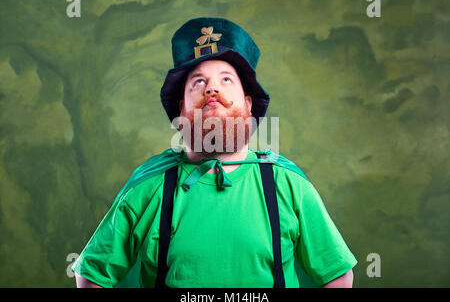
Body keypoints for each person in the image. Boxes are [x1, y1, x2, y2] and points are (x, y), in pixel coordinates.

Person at [73, 17, 357, 288]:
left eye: (226, 80)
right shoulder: (148, 187)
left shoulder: (288, 183)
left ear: (248, 105)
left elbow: (338, 276)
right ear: (181, 109)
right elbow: (92, 275)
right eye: (198, 82)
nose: (211, 89)